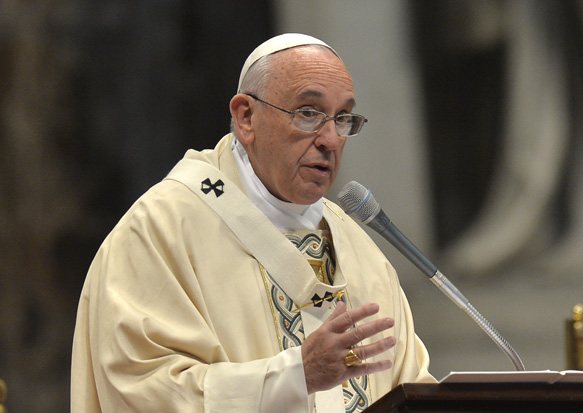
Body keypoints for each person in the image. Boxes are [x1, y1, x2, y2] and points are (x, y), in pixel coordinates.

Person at [71, 33, 435, 413]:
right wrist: (296, 377)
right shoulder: (161, 229)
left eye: (342, 118)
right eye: (308, 113)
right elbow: (142, 389)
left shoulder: (362, 254)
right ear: (246, 117)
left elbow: (412, 387)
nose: (330, 138)